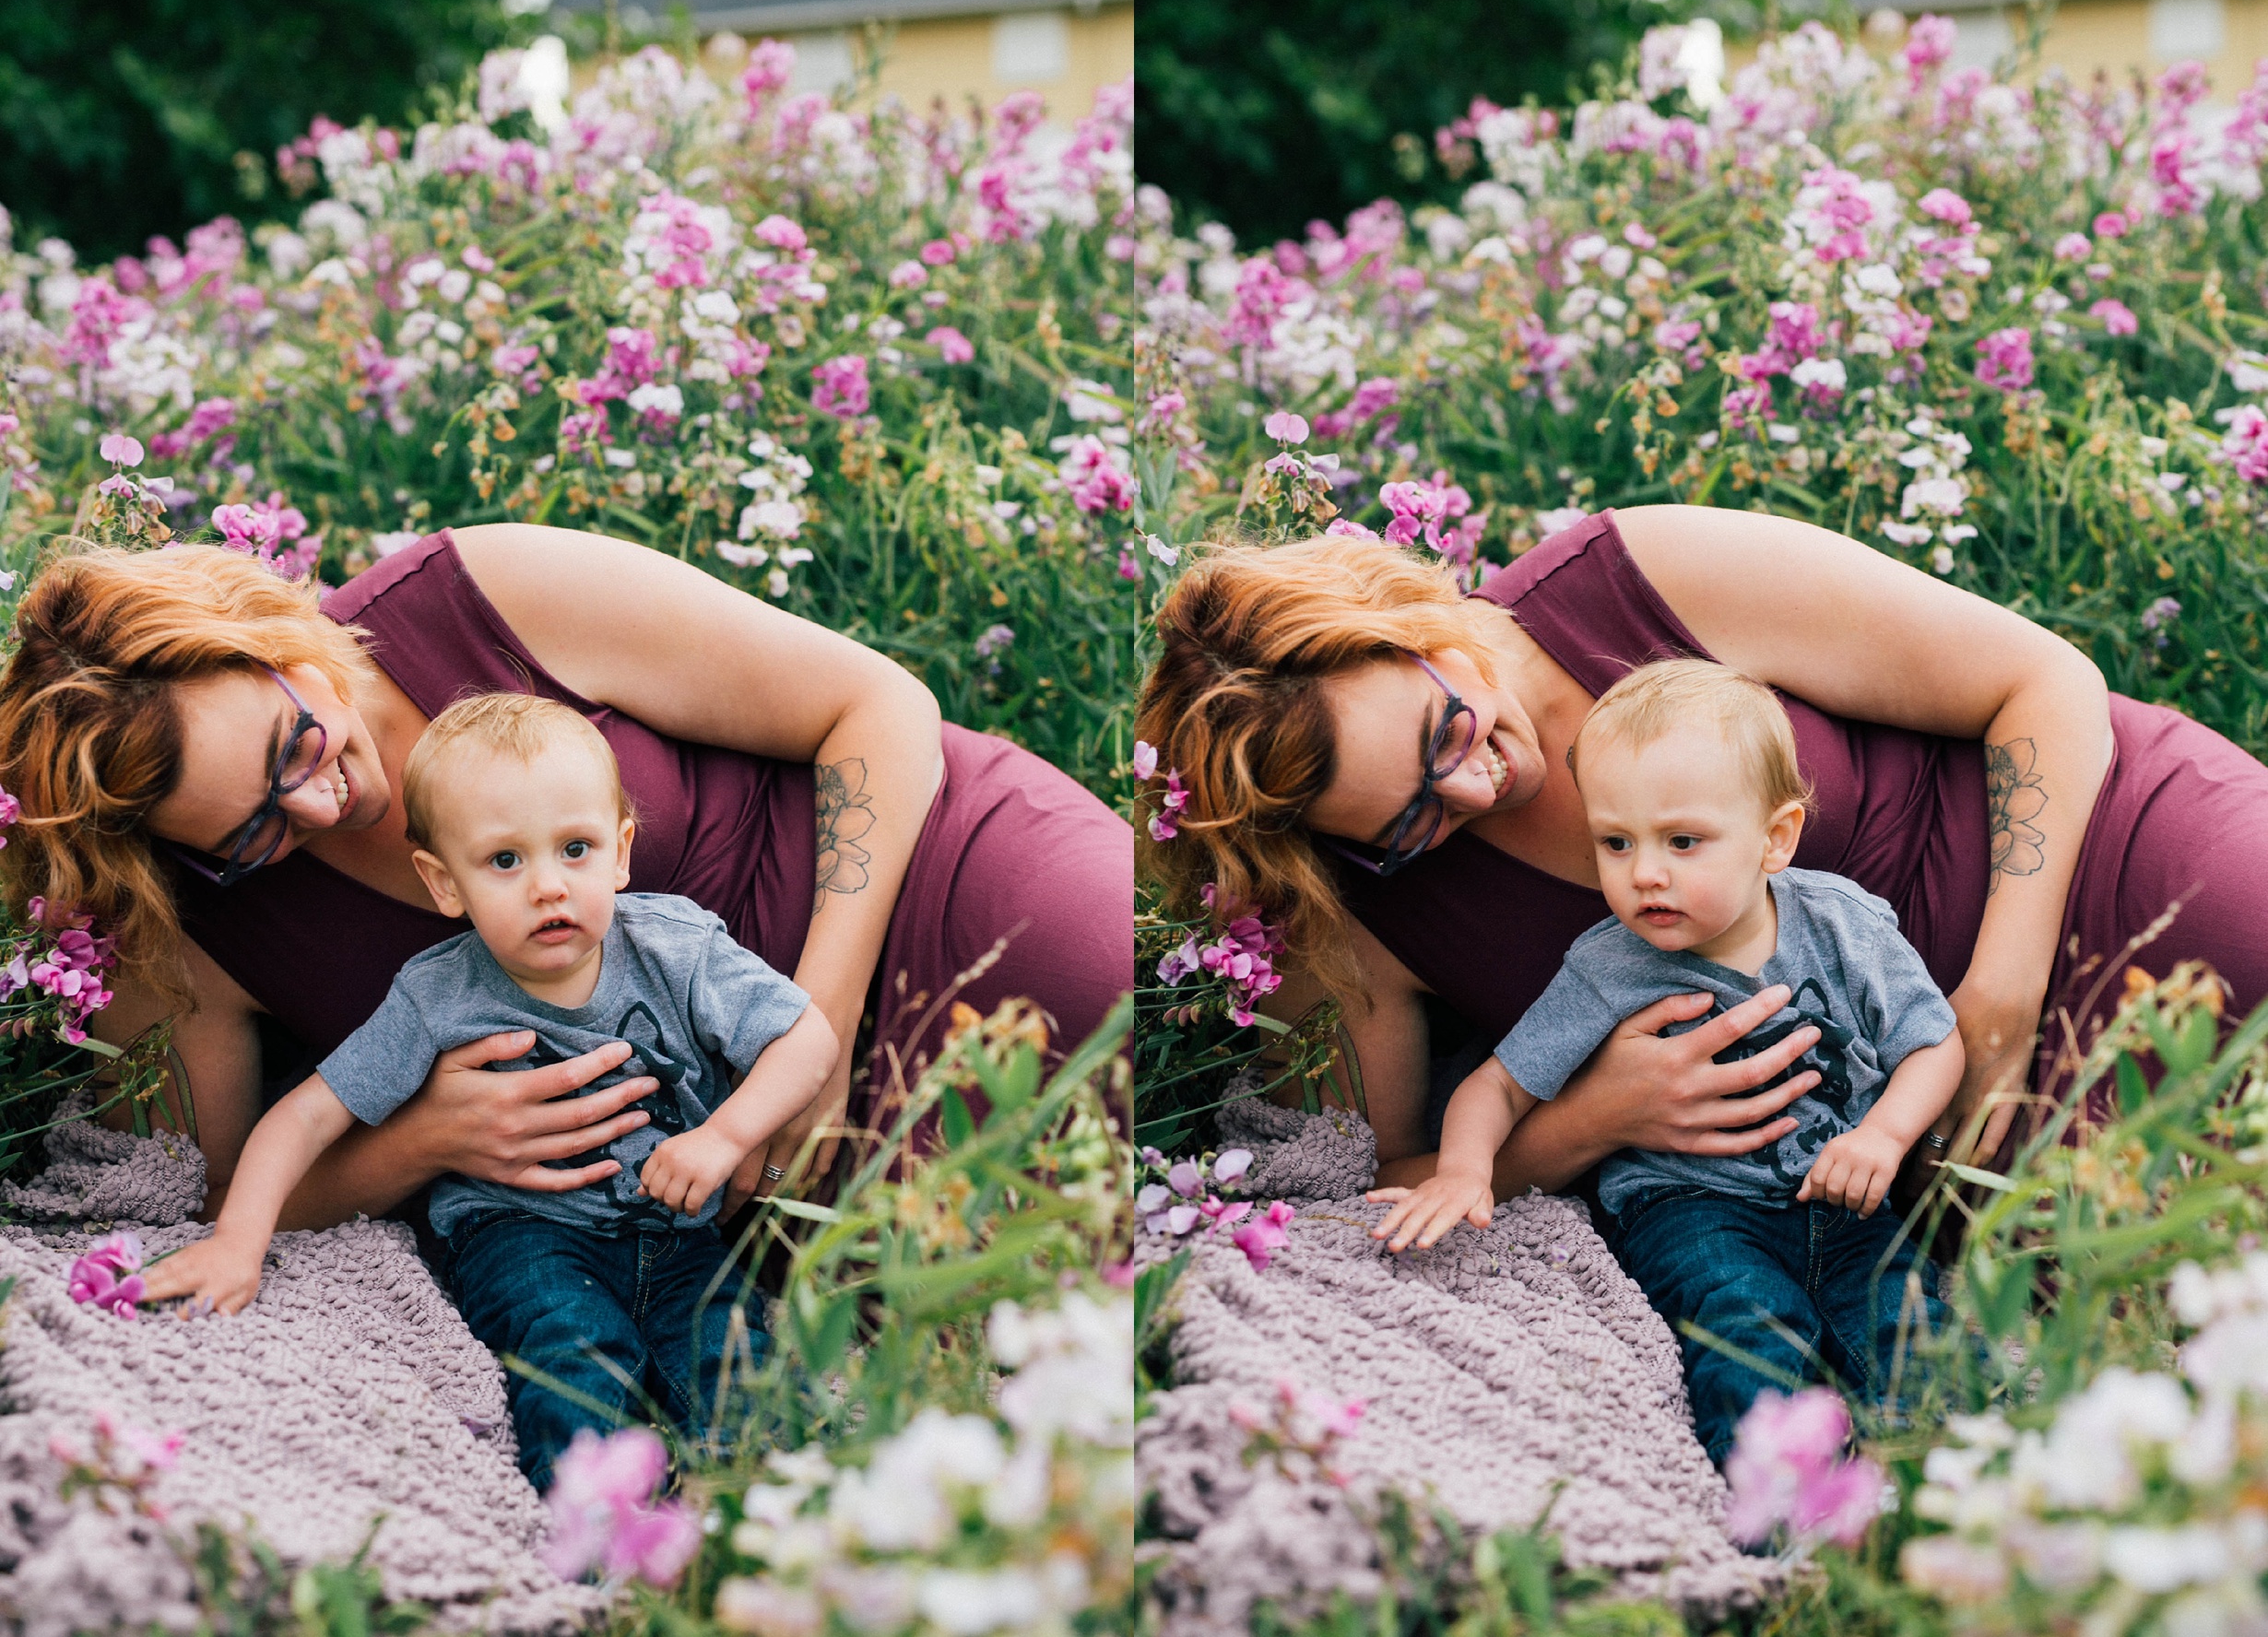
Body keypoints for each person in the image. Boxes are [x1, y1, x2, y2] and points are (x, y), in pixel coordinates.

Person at [0, 526, 1129, 1231]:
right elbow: (222, 1192)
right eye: (248, 831)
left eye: (293, 746)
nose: (318, 805)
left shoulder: (471, 599)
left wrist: (814, 1038)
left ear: (272, 641)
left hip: (905, 887)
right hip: (696, 1157)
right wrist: (424, 1143)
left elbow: (876, 705)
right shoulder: (180, 913)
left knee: (1119, 1007)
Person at [1137, 506, 2268, 1200]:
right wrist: (1592, 1125)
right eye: (1408, 824)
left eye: (1447, 732)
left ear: (1406, 620)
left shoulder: (1626, 583)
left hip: (2090, 861)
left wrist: (2001, 1000)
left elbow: (2043, 682)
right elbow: (1385, 1181)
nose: (1481, 788)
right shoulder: (1351, 910)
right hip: (1886, 1136)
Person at [144, 695, 835, 1488]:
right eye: (505, 861)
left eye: (574, 848)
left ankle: (771, 1525)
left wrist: (724, 1136)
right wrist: (239, 1239)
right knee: (570, 1352)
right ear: (445, 883)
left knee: (735, 1357)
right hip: (523, 1234)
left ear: (620, 852)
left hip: (678, 1233)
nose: (547, 886)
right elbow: (306, 1114)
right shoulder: (439, 995)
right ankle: (599, 1536)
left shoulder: (674, 946)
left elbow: (806, 1036)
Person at [1366, 661, 1959, 1462]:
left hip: (1845, 1196)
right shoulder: (1611, 966)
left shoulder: (1842, 925)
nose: (1646, 872)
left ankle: (1959, 1488)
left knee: (1911, 1327)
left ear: (1774, 838)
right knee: (1743, 1325)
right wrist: (1466, 1171)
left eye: (1683, 841)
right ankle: (1782, 1509)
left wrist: (1883, 1137)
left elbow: (1933, 1042)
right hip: (1693, 1207)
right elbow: (1498, 1086)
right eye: (1616, 842)